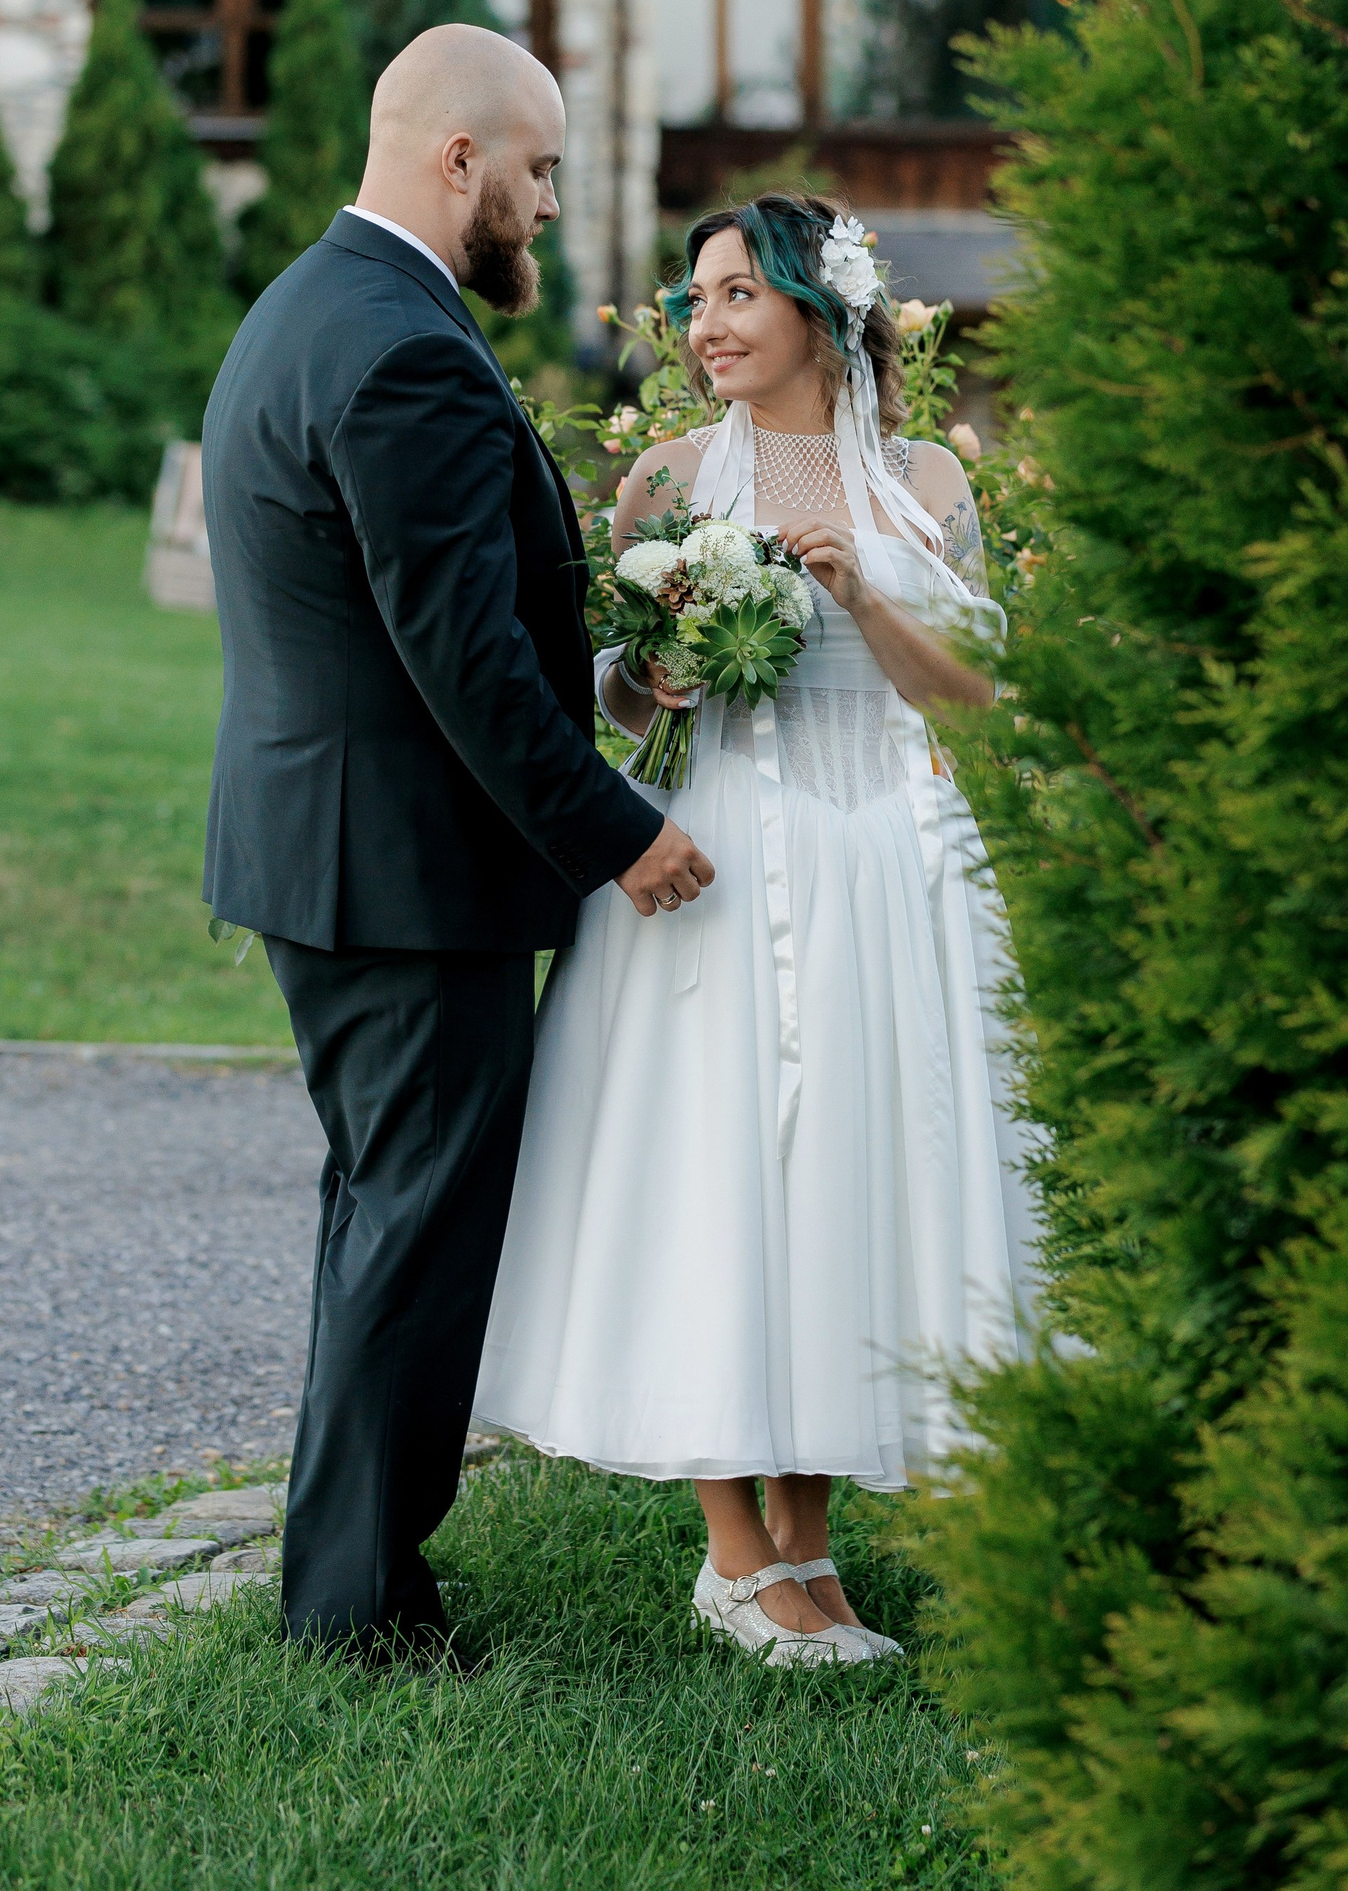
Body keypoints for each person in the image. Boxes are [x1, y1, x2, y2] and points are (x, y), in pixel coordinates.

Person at [201, 23, 713, 1655]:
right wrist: (617, 831)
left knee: (386, 1222)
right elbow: (461, 655)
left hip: (347, 856)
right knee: (415, 1235)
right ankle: (357, 1617)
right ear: (459, 158)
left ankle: (344, 1584)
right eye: (539, 170)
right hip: (406, 874)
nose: (549, 204)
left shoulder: (315, 307)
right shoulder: (403, 347)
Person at [475, 192, 1039, 1668]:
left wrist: (859, 591)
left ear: (817, 310)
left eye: (736, 295)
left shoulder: (926, 479)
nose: (704, 325)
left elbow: (974, 697)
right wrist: (652, 673)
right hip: (723, 856)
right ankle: (733, 1556)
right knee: (720, 1174)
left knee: (852, 1175)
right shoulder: (667, 479)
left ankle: (809, 1543)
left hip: (895, 861)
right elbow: (607, 682)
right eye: (692, 299)